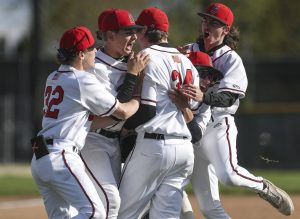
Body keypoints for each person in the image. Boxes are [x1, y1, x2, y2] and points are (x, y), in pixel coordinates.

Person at [178, 3, 294, 218]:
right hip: (190, 127)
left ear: (226, 30)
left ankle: (264, 187)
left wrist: (205, 95)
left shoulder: (231, 59)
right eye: (205, 20)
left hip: (217, 125)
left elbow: (227, 97)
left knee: (229, 175)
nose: (207, 25)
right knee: (208, 206)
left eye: (214, 23)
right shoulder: (186, 50)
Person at [30, 25, 144, 219]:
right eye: (92, 49)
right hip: (61, 156)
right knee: (94, 213)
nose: (95, 51)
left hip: (40, 156)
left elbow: (87, 121)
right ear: (81, 54)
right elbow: (124, 111)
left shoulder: (54, 77)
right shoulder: (81, 80)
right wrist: (138, 98)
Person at [117, 7, 201, 219]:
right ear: (165, 33)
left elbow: (146, 111)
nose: (136, 35)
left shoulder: (147, 56)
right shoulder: (188, 62)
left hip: (154, 147)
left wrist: (124, 128)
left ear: (145, 31)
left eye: (139, 29)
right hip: (184, 149)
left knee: (122, 213)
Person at [80, 9, 149, 219]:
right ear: (110, 35)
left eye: (136, 31)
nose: (134, 37)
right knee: (110, 200)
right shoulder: (95, 66)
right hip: (93, 141)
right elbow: (116, 108)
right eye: (128, 32)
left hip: (114, 142)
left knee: (110, 205)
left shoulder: (129, 61)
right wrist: (133, 75)